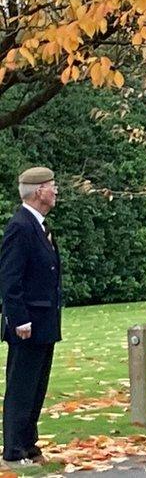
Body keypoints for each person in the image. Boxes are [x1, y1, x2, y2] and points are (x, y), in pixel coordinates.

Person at [1, 167, 62, 464]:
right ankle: (13, 449)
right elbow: (9, 279)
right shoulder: (20, 226)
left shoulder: (39, 226)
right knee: (21, 388)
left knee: (37, 387)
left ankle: (29, 444)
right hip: (28, 324)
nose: (56, 190)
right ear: (39, 191)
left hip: (44, 322)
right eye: (52, 186)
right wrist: (19, 318)